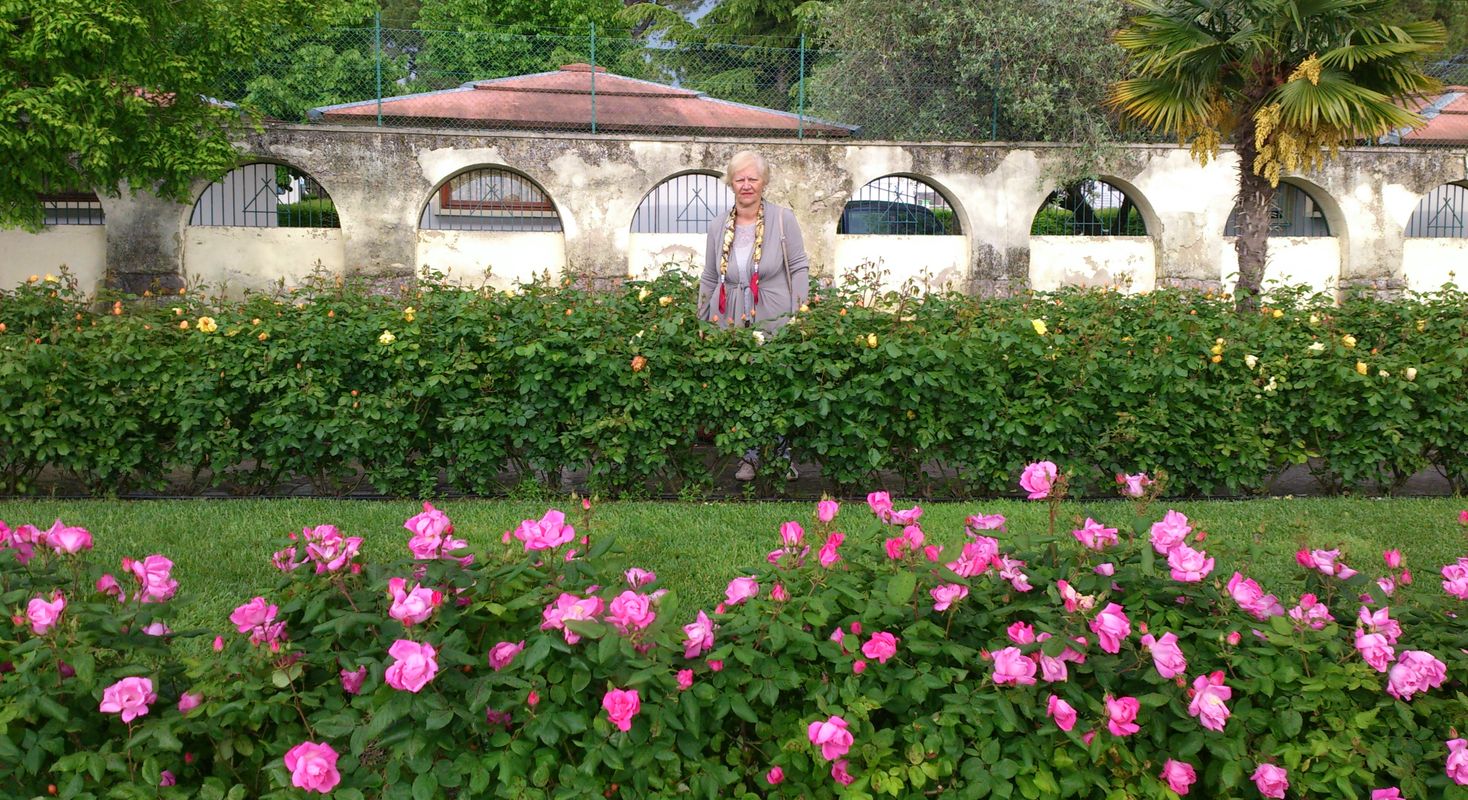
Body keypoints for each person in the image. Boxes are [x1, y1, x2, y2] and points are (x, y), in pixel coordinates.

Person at [698, 150, 809, 481]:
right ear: (730, 183)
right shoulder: (719, 224)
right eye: (740, 179)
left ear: (764, 182)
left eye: (753, 179)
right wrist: (703, 318)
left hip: (773, 312)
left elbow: (799, 266)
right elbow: (708, 275)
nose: (746, 185)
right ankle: (749, 458)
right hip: (731, 313)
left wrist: (799, 313)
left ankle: (780, 457)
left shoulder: (782, 219)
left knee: (775, 385)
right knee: (741, 387)